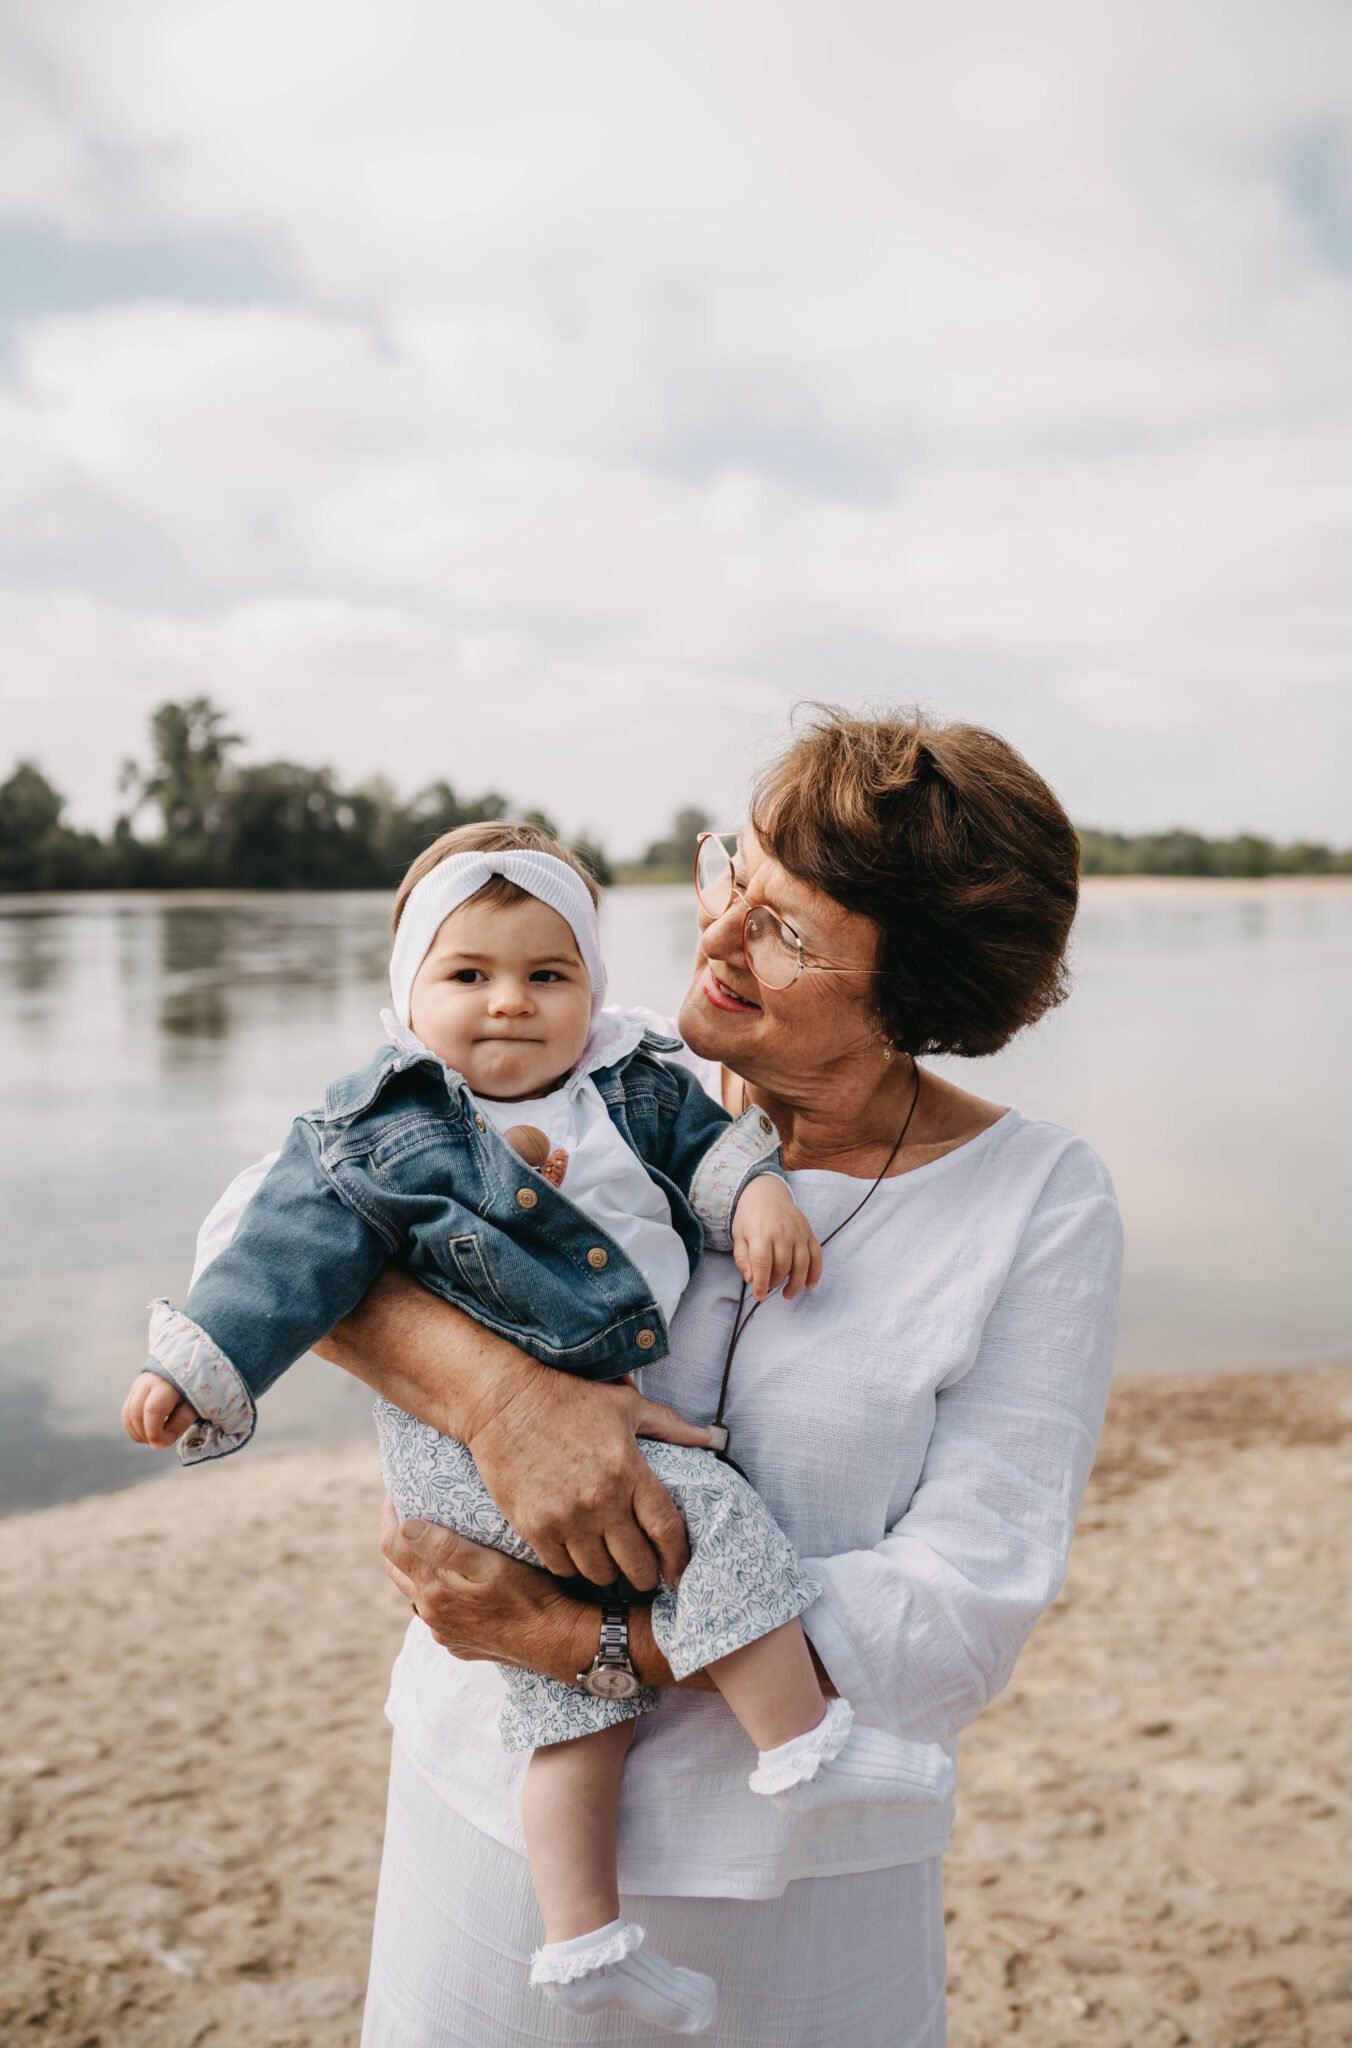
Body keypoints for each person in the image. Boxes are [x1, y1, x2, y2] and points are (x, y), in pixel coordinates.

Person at [178, 707, 1122, 2047]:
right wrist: (499, 1400)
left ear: (914, 994)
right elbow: (253, 1230)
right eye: (731, 871)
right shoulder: (594, 1065)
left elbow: (963, 1602)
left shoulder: (1034, 1202)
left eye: (783, 928)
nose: (718, 933)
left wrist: (581, 1644)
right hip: (485, 1823)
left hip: (800, 1891)